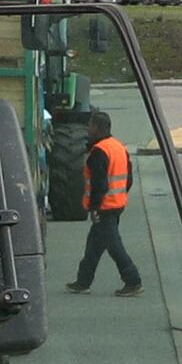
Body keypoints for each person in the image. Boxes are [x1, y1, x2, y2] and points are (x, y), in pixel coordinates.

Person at [67, 124, 144, 296]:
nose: (88, 131)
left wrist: (94, 207)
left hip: (104, 207)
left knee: (114, 246)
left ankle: (133, 281)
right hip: (117, 204)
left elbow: (98, 184)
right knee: (94, 245)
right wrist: (120, 197)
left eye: (92, 127)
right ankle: (82, 281)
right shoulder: (118, 147)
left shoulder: (99, 152)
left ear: (99, 130)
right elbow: (128, 178)